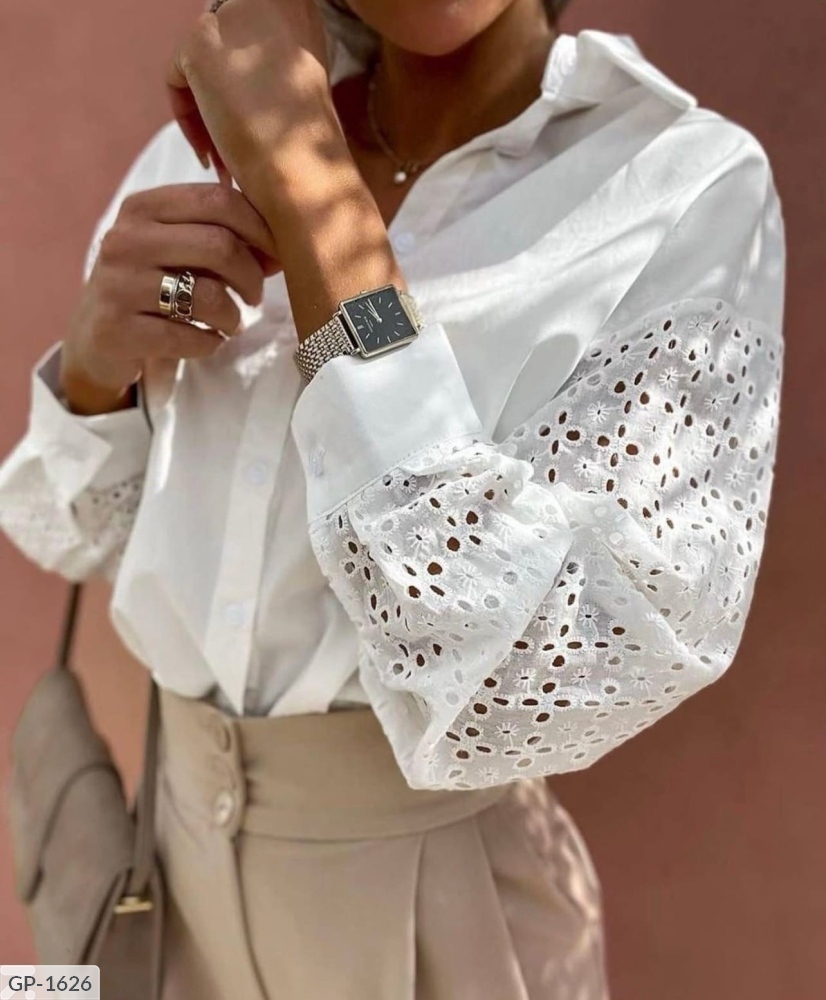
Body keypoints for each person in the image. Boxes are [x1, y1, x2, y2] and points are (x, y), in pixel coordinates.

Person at [0, 0, 785, 996]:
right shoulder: (205, 143)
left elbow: (540, 682)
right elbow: (71, 535)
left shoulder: (677, 182)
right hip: (164, 870)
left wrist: (310, 189)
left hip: (432, 915)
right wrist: (94, 373)